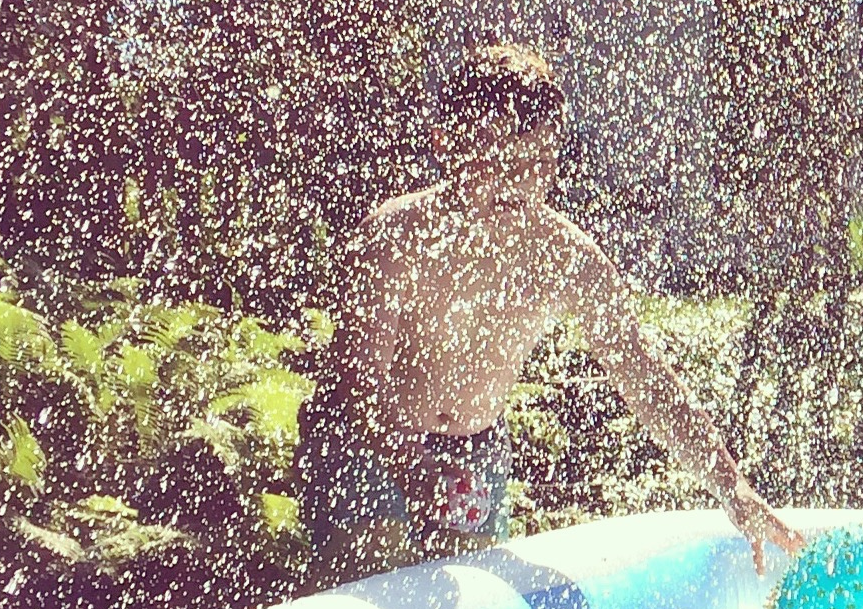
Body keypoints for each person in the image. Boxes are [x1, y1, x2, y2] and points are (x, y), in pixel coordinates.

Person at [301, 40, 803, 581]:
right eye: (501, 158)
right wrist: (410, 464)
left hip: (474, 455)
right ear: (447, 144)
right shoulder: (397, 238)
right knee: (368, 593)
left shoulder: (565, 257)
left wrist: (734, 489)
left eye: (538, 161)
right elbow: (360, 383)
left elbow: (647, 379)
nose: (521, 181)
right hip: (369, 445)